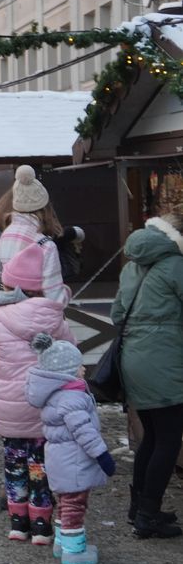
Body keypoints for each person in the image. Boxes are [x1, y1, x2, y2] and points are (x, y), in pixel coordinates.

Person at [0, 242, 77, 544]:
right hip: (44, 408)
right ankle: (42, 525)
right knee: (40, 466)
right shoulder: (56, 319)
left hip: (9, 410)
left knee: (13, 463)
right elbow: (71, 360)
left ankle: (18, 522)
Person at [112, 212, 183, 539]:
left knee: (152, 437)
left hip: (134, 360)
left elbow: (116, 315)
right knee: (168, 439)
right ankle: (148, 514)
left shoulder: (131, 267)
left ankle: (138, 505)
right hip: (164, 362)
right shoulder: (176, 267)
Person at [26, 335, 117, 564]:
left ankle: (62, 544)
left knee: (66, 503)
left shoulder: (58, 395)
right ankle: (73, 552)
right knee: (75, 506)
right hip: (74, 461)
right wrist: (103, 456)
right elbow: (84, 431)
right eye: (79, 366)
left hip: (62, 460)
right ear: (66, 371)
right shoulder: (71, 398)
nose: (84, 369)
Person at [0, 165, 69, 306]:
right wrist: (66, 294)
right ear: (45, 208)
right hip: (35, 321)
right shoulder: (46, 246)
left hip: (4, 321)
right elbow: (55, 299)